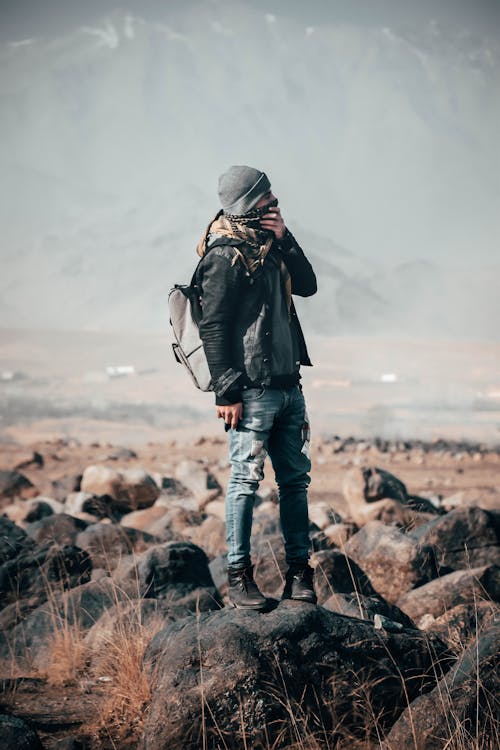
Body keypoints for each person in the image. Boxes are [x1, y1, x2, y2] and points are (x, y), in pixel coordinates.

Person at [195, 165, 318, 610]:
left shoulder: (271, 245)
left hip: (288, 386)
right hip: (250, 391)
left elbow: (308, 286)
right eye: (267, 197)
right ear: (250, 202)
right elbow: (213, 327)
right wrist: (225, 392)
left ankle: (300, 576)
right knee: (245, 481)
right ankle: (238, 577)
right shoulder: (225, 255)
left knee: (295, 483)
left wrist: (286, 237)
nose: (275, 201)